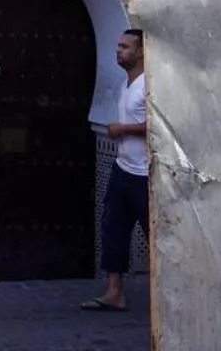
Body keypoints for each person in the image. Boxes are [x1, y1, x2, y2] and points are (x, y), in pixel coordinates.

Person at [81, 27, 148, 313]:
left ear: (142, 51)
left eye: (125, 47)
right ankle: (114, 292)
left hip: (146, 175)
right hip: (123, 169)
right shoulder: (127, 84)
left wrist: (123, 129)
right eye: (118, 46)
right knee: (113, 229)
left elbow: (158, 125)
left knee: (153, 234)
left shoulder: (149, 85)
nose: (118, 50)